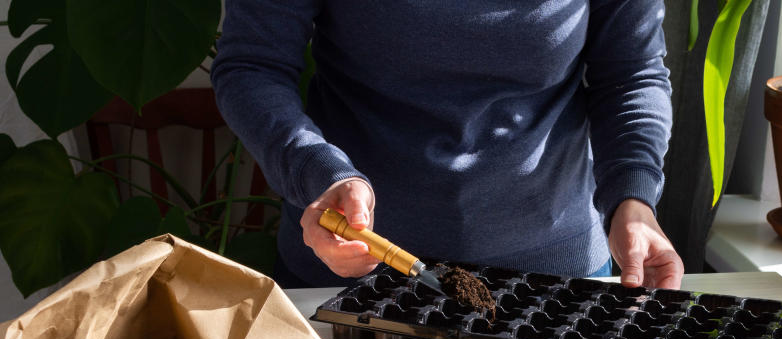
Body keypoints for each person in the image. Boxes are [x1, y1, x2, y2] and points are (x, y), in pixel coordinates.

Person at [211, 0, 683, 290]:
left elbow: (631, 74)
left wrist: (632, 200)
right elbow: (254, 65)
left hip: (557, 285)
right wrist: (318, 170)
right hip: (347, 275)